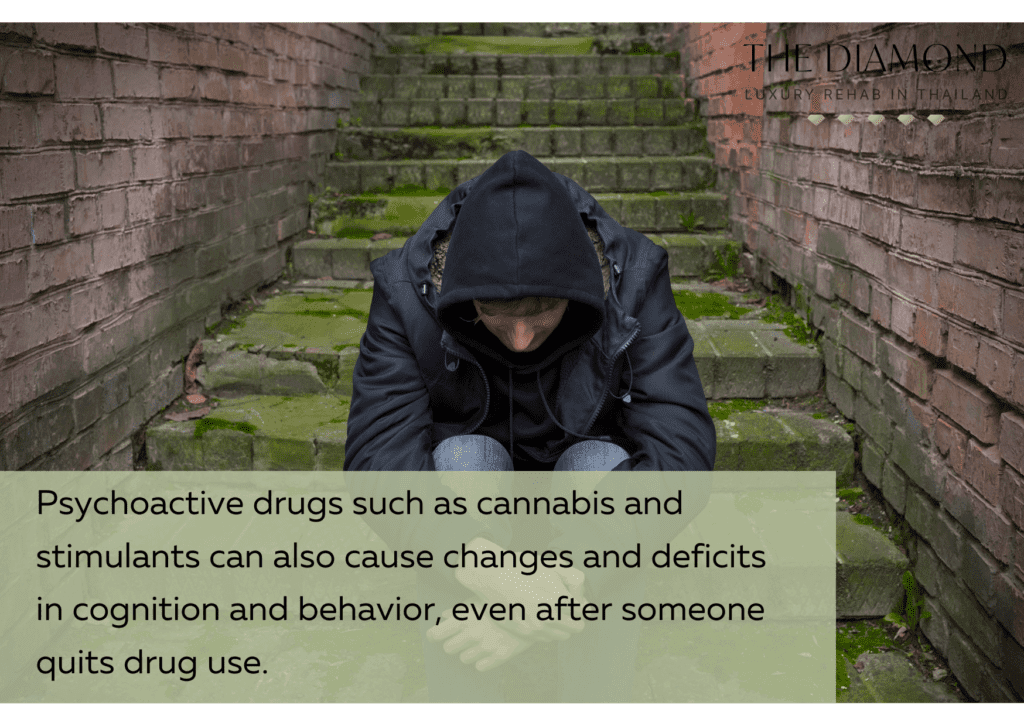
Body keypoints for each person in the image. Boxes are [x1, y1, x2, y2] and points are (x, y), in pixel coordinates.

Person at [343, 150, 715, 701]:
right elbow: (378, 460)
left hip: (582, 507)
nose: (520, 336)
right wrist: (488, 574)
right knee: (460, 460)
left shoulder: (631, 275)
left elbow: (679, 453)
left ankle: (593, 696)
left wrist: (562, 585)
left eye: (543, 308)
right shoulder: (407, 291)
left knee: (602, 468)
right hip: (476, 514)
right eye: (495, 311)